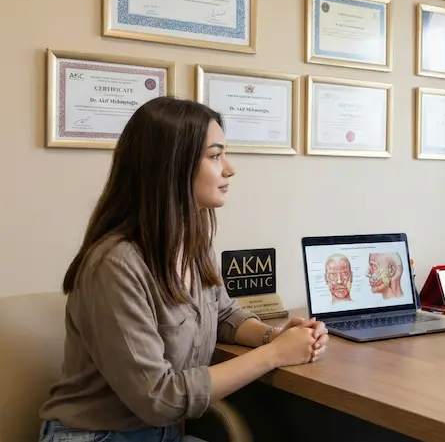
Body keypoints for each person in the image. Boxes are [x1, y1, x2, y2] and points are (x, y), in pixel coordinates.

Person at [38, 97, 329, 442]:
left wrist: (272, 336)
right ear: (172, 166)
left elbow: (223, 314)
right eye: (215, 155)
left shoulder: (191, 246)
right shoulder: (115, 266)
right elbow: (159, 397)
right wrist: (274, 355)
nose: (229, 169)